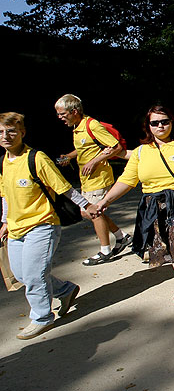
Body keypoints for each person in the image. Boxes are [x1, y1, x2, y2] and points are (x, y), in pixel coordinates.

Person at [94, 106, 174, 309]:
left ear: (172, 123)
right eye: (155, 123)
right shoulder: (141, 152)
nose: (160, 126)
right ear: (148, 127)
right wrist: (103, 202)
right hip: (153, 207)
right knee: (167, 245)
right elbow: (127, 181)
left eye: (165, 121)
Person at [0, 112, 98, 339]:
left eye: (11, 131)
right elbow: (5, 195)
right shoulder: (3, 162)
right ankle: (65, 290)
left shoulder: (36, 158)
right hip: (15, 228)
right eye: (2, 132)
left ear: (22, 133)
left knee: (35, 274)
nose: (6, 136)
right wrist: (5, 221)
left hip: (42, 224)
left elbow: (63, 186)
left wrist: (87, 205)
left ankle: (42, 317)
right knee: (22, 275)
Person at [54, 94, 132, 265]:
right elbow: (83, 148)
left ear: (74, 111)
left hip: (99, 178)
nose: (59, 118)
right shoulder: (77, 127)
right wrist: (69, 156)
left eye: (62, 114)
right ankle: (122, 236)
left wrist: (95, 161)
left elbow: (115, 146)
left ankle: (105, 250)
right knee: (91, 211)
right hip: (87, 179)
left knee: (92, 212)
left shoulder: (92, 125)